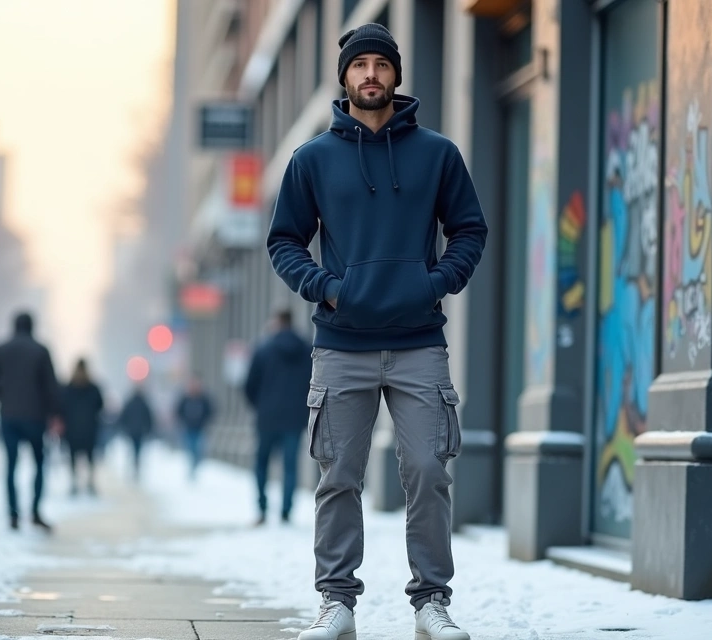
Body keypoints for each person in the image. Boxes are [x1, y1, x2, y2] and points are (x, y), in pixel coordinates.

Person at [266, 23, 487, 640]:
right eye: (359, 64)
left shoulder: (438, 154)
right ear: (344, 76)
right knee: (337, 477)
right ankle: (336, 604)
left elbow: (469, 230)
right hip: (341, 346)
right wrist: (329, 288)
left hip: (420, 342)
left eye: (381, 65)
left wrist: (434, 283)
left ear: (396, 74)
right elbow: (284, 240)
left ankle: (431, 605)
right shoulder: (311, 159)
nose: (370, 75)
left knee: (428, 471)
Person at [0, 311, 62, 532]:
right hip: (36, 417)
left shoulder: (1, 349)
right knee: (39, 464)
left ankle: (13, 515)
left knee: (11, 465)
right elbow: (51, 387)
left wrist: (3, 395)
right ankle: (35, 512)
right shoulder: (41, 351)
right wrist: (55, 414)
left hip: (9, 416)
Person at [244, 308, 311, 526]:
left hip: (267, 417)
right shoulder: (305, 349)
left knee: (262, 463)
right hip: (294, 417)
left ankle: (262, 508)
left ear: (276, 322)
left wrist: (260, 406)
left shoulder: (263, 349)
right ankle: (286, 511)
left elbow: (249, 385)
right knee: (290, 466)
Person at [60, 358, 105, 496]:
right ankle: (90, 483)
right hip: (89, 429)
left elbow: (61, 407)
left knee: (73, 457)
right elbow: (100, 406)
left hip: (72, 429)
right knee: (90, 458)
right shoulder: (93, 388)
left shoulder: (68, 388)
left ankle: (74, 483)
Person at [175, 375, 214, 480]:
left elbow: (210, 411)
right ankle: (192, 467)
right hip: (188, 428)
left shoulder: (204, 398)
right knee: (190, 449)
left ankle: (195, 465)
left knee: (199, 450)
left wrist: (206, 421)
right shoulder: (185, 398)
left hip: (200, 429)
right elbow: (178, 411)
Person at [118, 384, 154, 481]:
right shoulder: (143, 403)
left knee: (133, 450)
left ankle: (133, 467)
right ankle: (135, 467)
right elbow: (149, 417)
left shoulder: (130, 402)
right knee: (137, 450)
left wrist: (124, 427)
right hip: (139, 431)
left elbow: (123, 416)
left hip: (132, 431)